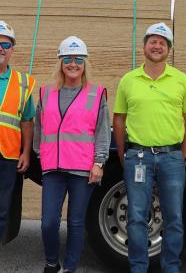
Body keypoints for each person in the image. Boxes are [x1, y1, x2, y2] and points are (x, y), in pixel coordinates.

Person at [113, 22, 186, 273]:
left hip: (171, 157)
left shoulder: (181, 80)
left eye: (163, 42)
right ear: (144, 46)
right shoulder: (129, 80)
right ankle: (138, 267)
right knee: (136, 217)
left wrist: (182, 154)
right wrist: (123, 153)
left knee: (174, 218)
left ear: (168, 49)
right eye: (153, 41)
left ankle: (171, 267)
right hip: (137, 156)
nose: (157, 45)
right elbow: (119, 118)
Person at [33, 36, 111, 273]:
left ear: (85, 63)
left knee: (76, 223)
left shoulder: (96, 94)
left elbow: (102, 131)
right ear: (61, 62)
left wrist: (99, 162)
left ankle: (70, 268)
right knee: (48, 223)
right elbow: (39, 127)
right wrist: (40, 153)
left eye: (78, 59)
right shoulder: (46, 93)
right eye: (68, 59)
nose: (73, 64)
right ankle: (51, 262)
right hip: (53, 170)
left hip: (82, 169)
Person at [0, 20, 36, 241]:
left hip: (8, 156)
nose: (0, 49)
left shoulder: (23, 82)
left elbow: (27, 121)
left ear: (12, 50)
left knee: (2, 208)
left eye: (5, 45)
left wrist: (25, 152)